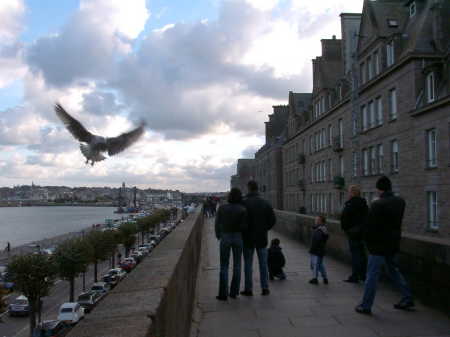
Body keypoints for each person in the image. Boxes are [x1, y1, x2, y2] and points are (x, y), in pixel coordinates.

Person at [355, 176, 414, 315]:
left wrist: (367, 242)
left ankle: (366, 305)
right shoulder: (400, 201)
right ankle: (407, 297)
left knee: (372, 276)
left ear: (379, 189)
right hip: (393, 243)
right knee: (393, 271)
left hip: (378, 246)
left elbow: (370, 227)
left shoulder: (377, 204)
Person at [241, 180, 276, 296]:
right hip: (262, 238)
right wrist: (264, 228)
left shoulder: (244, 203)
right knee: (263, 264)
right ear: (257, 189)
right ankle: (265, 288)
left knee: (248, 265)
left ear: (249, 188)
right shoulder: (265, 203)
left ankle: (248, 289)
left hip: (247, 238)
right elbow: (272, 220)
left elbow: (240, 221)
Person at [215, 188, 247, 301]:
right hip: (238, 237)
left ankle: (223, 293)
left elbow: (217, 223)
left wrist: (218, 235)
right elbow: (245, 226)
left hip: (225, 236)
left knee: (224, 265)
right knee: (237, 265)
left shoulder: (222, 208)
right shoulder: (242, 209)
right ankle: (234, 292)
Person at [340, 185, 368, 283]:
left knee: (355, 255)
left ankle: (355, 276)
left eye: (349, 192)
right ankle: (363, 275)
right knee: (362, 255)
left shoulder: (350, 204)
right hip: (362, 233)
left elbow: (344, 217)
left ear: (352, 193)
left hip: (353, 233)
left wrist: (346, 229)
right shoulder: (364, 203)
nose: (348, 194)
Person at [309, 215, 329, 285]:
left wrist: (315, 230)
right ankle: (325, 278)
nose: (315, 221)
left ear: (321, 222)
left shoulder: (320, 230)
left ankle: (315, 278)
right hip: (319, 250)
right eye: (316, 220)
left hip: (316, 250)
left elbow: (317, 240)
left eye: (317, 220)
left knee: (315, 265)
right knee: (320, 265)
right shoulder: (321, 229)